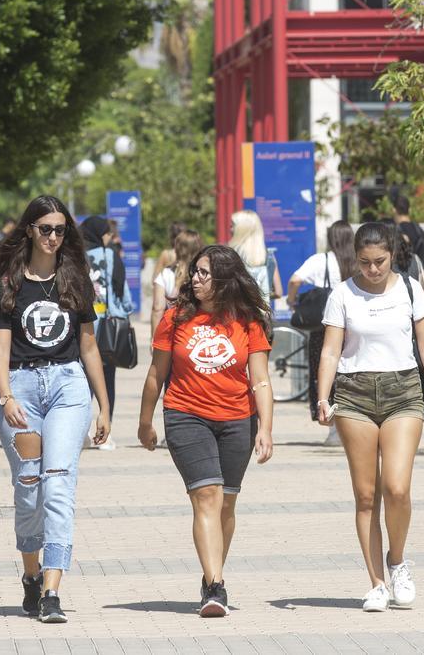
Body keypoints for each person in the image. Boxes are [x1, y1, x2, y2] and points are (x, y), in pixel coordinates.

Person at [0, 195, 112, 624]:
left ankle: (52, 590)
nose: (53, 237)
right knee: (29, 488)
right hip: (22, 388)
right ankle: (31, 574)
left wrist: (104, 405)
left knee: (58, 485)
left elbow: (89, 345)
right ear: (29, 230)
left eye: (60, 230)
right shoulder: (9, 284)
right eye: (46, 228)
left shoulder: (76, 279)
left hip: (68, 385)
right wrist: (6, 396)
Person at [316, 222, 424, 612]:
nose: (371, 270)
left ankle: (398, 561)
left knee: (397, 488)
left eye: (379, 262)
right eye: (364, 262)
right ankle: (376, 583)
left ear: (392, 254)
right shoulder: (342, 294)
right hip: (354, 394)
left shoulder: (410, 289)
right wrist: (323, 397)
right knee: (366, 495)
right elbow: (329, 351)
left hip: (403, 391)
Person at [137, 244, 275, 617]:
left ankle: (211, 575)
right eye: (194, 272)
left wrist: (266, 428)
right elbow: (156, 374)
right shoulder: (176, 317)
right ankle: (216, 586)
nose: (194, 279)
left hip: (237, 419)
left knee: (226, 503)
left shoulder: (247, 320)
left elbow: (260, 380)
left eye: (204, 273)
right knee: (207, 496)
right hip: (186, 415)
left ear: (225, 279)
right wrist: (145, 421)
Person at [287, 220, 355, 425]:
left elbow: (294, 280)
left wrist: (292, 301)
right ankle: (349, 419)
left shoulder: (321, 260)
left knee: (322, 370)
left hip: (324, 327)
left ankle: (329, 419)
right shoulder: (356, 261)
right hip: (352, 325)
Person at [81, 215, 136, 451]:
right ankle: (106, 431)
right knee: (107, 380)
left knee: (83, 380)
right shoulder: (110, 255)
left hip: (84, 325)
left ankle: (81, 430)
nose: (109, 238)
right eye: (107, 234)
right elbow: (121, 289)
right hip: (109, 327)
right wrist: (125, 311)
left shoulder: (77, 255)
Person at [151, 229, 204, 337]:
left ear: (177, 248)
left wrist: (154, 337)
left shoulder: (166, 273)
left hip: (172, 331)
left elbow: (158, 308)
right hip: (198, 330)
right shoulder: (202, 274)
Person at [228, 210, 281, 301]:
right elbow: (278, 292)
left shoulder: (229, 255)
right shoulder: (268, 256)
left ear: (242, 229)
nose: (230, 229)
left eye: (232, 225)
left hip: (234, 312)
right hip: (261, 313)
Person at [392, 195, 424, 290]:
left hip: (406, 282)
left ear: (394, 210)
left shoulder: (396, 232)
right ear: (410, 210)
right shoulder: (418, 229)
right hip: (422, 278)